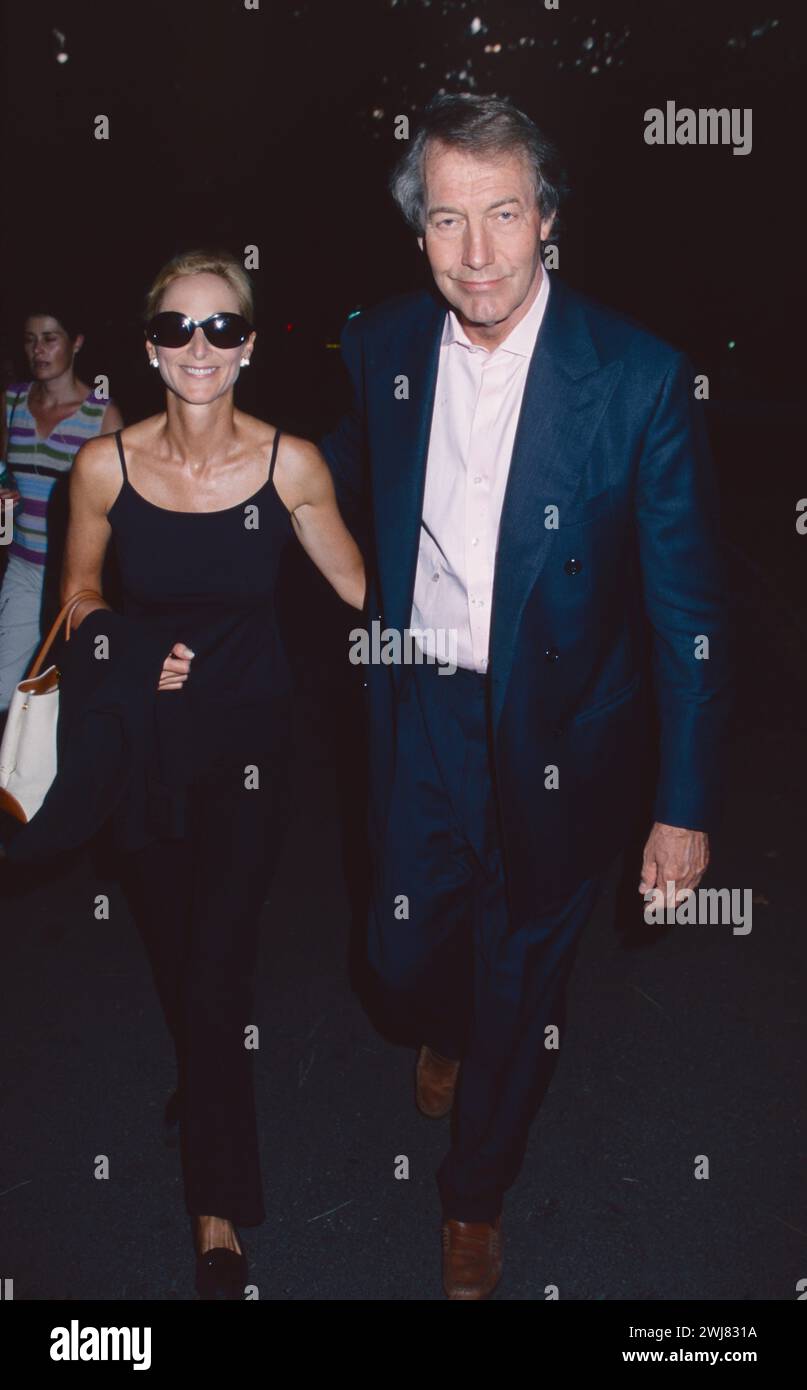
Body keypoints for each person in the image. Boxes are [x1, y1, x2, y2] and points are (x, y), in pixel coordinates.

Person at [320, 93, 732, 1299]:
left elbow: (690, 614)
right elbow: (323, 482)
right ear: (420, 236)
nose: (480, 252)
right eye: (449, 220)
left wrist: (685, 801)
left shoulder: (639, 378)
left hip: (566, 735)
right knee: (396, 958)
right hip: (419, 712)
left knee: (526, 980)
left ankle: (475, 1194)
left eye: (504, 213)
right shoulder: (381, 344)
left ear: (547, 216)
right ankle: (445, 1016)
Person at [58, 248, 364, 1298]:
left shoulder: (292, 465)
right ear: (150, 349)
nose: (201, 347)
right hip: (140, 750)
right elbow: (79, 601)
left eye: (222, 327)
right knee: (175, 947)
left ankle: (217, 1211)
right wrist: (133, 652)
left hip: (247, 753)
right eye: (179, 328)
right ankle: (205, 1067)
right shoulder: (106, 466)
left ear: (247, 346)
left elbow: (369, 595)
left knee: (217, 966)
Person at [0, 305, 123, 725]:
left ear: (77, 343)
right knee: (6, 688)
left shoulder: (101, 412)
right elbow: (2, 468)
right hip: (24, 566)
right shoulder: (13, 400)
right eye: (31, 339)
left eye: (50, 338)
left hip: (77, 576)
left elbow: (121, 504)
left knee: (72, 689)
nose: (38, 349)